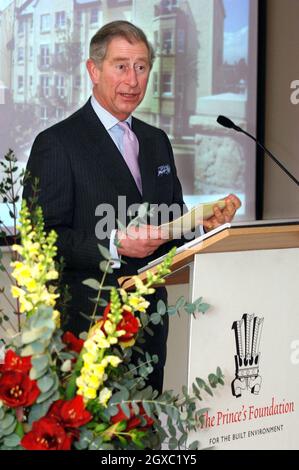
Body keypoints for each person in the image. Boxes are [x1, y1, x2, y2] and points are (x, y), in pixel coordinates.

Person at [23, 21, 241, 393]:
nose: (133, 79)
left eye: (141, 67)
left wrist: (203, 226)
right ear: (93, 70)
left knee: (146, 440)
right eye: (121, 66)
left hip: (150, 328)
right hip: (86, 332)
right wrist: (113, 245)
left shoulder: (157, 141)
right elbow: (41, 239)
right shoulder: (56, 143)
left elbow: (170, 224)